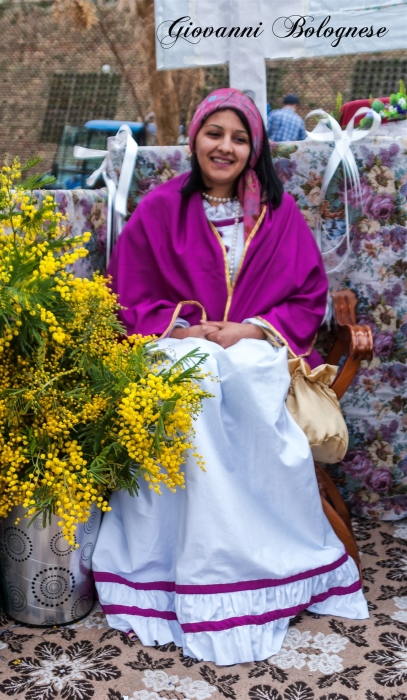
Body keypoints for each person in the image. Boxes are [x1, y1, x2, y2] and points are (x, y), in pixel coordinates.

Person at [92, 88, 368, 666]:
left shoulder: (279, 211)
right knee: (190, 373)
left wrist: (248, 330)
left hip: (252, 346)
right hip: (179, 345)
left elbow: (306, 294)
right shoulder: (160, 208)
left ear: (255, 148)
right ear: (195, 138)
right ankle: (182, 564)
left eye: (239, 137)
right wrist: (187, 330)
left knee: (238, 370)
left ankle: (247, 560)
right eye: (215, 133)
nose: (225, 146)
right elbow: (127, 295)